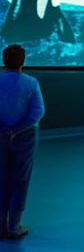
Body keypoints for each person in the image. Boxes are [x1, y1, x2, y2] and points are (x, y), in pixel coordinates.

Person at [0, 45, 45, 239]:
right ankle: (14, 226)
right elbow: (37, 112)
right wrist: (16, 130)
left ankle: (0, 226)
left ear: (3, 60)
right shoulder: (31, 83)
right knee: (20, 180)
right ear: (23, 61)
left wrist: (4, 129)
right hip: (24, 139)